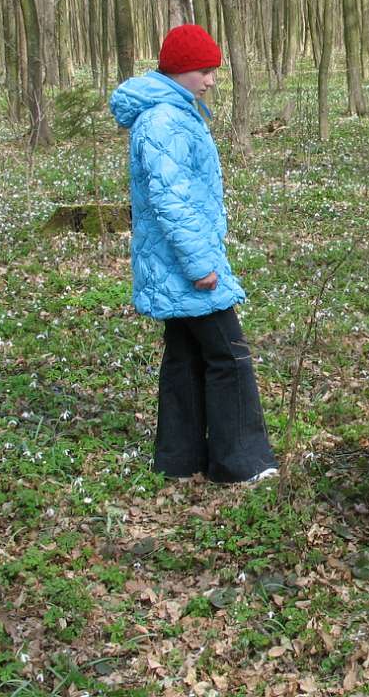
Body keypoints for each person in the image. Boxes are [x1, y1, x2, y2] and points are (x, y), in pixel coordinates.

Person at [109, 24, 278, 483]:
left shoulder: (171, 114)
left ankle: (179, 460)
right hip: (183, 264)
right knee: (229, 355)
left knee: (184, 357)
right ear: (179, 70)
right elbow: (171, 199)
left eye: (213, 71)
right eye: (203, 71)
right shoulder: (164, 121)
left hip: (174, 261)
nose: (211, 80)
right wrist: (200, 264)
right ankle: (241, 463)